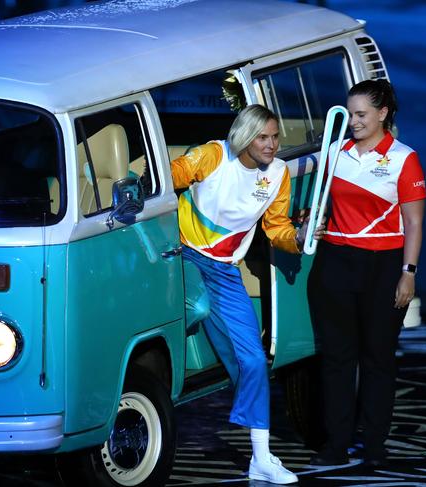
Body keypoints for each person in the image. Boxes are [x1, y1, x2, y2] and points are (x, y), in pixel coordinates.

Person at [171, 104, 305, 484]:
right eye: (263, 137)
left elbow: (276, 228)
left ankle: (261, 458)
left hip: (225, 271)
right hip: (183, 256)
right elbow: (168, 177)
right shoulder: (214, 154)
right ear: (244, 137)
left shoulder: (278, 174)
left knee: (255, 361)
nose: (272, 144)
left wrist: (297, 237)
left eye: (275, 136)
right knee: (197, 306)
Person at [307, 79, 426, 468]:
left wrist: (408, 273)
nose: (354, 121)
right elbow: (320, 206)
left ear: (382, 114)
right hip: (335, 264)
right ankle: (337, 443)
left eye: (361, 115)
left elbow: (414, 222)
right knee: (337, 359)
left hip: (384, 267)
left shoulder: (404, 158)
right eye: (350, 113)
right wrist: (313, 220)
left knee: (377, 359)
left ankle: (374, 443)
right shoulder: (334, 154)